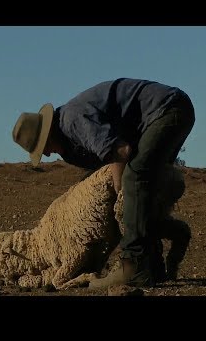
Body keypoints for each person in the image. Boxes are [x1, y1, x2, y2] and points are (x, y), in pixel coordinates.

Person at [12, 77, 195, 288]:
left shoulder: (73, 121)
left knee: (134, 179)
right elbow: (101, 172)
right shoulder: (70, 146)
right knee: (143, 192)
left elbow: (120, 152)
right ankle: (152, 264)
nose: (46, 153)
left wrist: (120, 195)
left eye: (42, 145)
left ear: (48, 131)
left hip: (167, 108)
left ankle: (133, 266)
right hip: (164, 113)